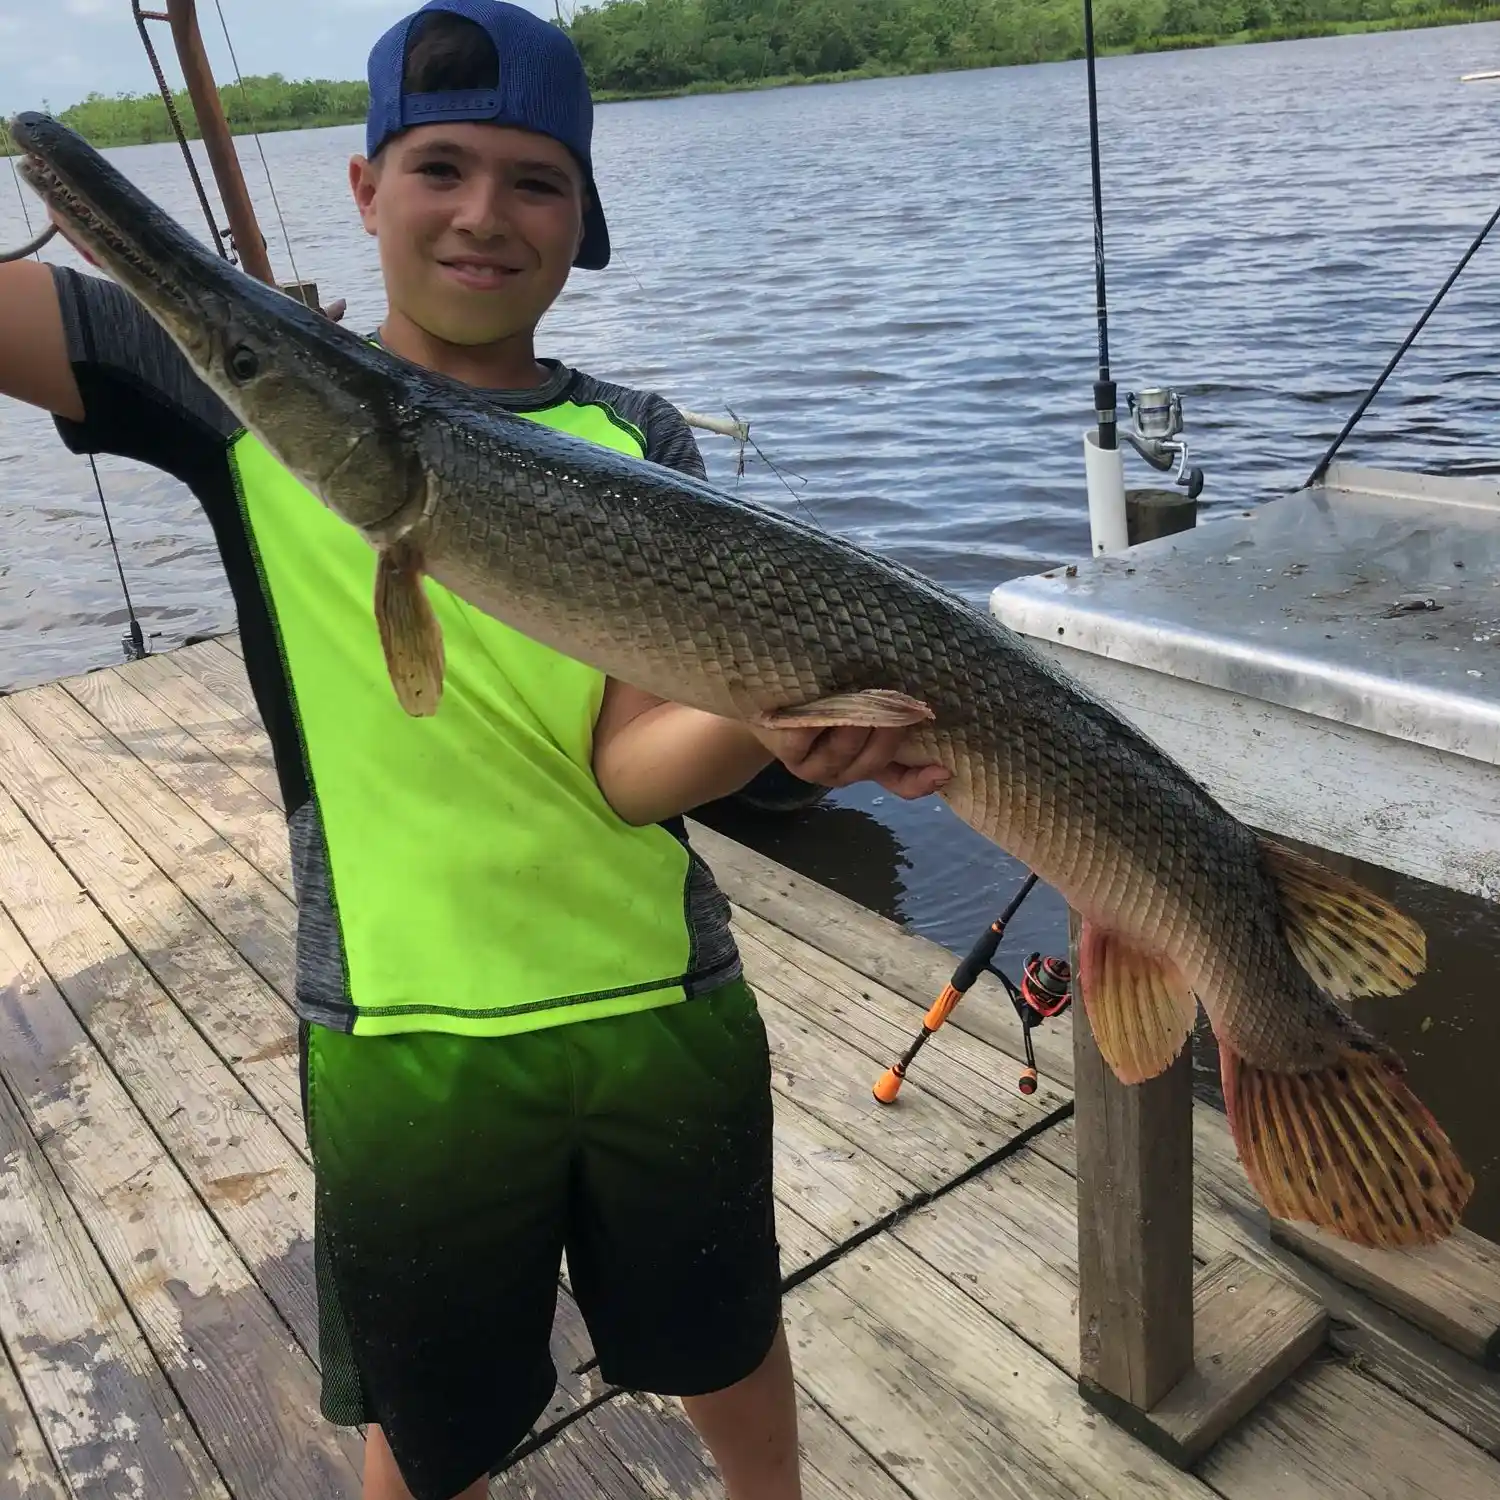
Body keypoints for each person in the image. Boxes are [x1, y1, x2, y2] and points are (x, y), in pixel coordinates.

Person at [0, 3, 949, 1497]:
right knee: (434, 1425)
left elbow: (631, 775)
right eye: (439, 167)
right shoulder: (233, 393)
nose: (483, 215)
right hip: (406, 1042)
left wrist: (787, 724)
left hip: (662, 1009)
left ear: (584, 216)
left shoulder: (639, 443)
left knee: (722, 1334)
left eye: (534, 180)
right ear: (368, 187)